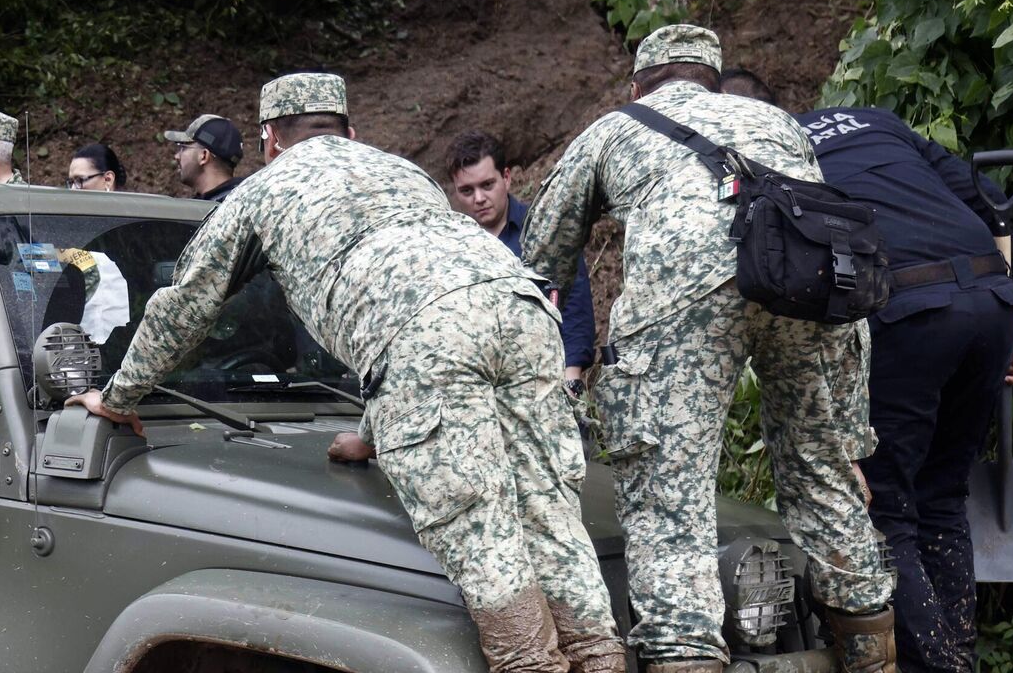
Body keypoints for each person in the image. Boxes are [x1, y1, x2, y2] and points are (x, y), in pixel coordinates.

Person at [67, 73, 625, 673]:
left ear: (268, 140)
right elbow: (418, 294)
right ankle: (600, 656)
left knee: (477, 527)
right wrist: (376, 427)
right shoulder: (401, 172)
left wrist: (120, 395)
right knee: (550, 508)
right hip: (523, 307)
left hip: (426, 333)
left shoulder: (264, 190)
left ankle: (530, 663)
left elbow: (187, 305)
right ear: (349, 131)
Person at [523, 24, 897, 673]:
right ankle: (872, 657)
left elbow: (542, 258)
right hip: (810, 285)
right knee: (823, 475)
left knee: (671, 503)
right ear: (713, 80)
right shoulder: (775, 122)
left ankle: (686, 656)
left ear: (638, 84)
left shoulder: (616, 126)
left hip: (685, 297)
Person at [720, 73, 1013, 672]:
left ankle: (941, 666)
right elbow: (991, 196)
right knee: (943, 496)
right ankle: (958, 653)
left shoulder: (765, 155)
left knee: (886, 507)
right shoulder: (874, 119)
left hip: (909, 312)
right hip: (989, 299)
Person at [444, 130, 595, 387]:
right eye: (467, 190)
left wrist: (572, 377)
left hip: (545, 378)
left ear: (506, 177)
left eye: (487, 185)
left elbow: (575, 305)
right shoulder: (450, 248)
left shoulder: (544, 232)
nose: (479, 198)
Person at [165, 114, 243, 201]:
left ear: (204, 156)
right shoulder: (243, 202)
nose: (177, 156)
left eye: (184, 148)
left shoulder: (228, 207)